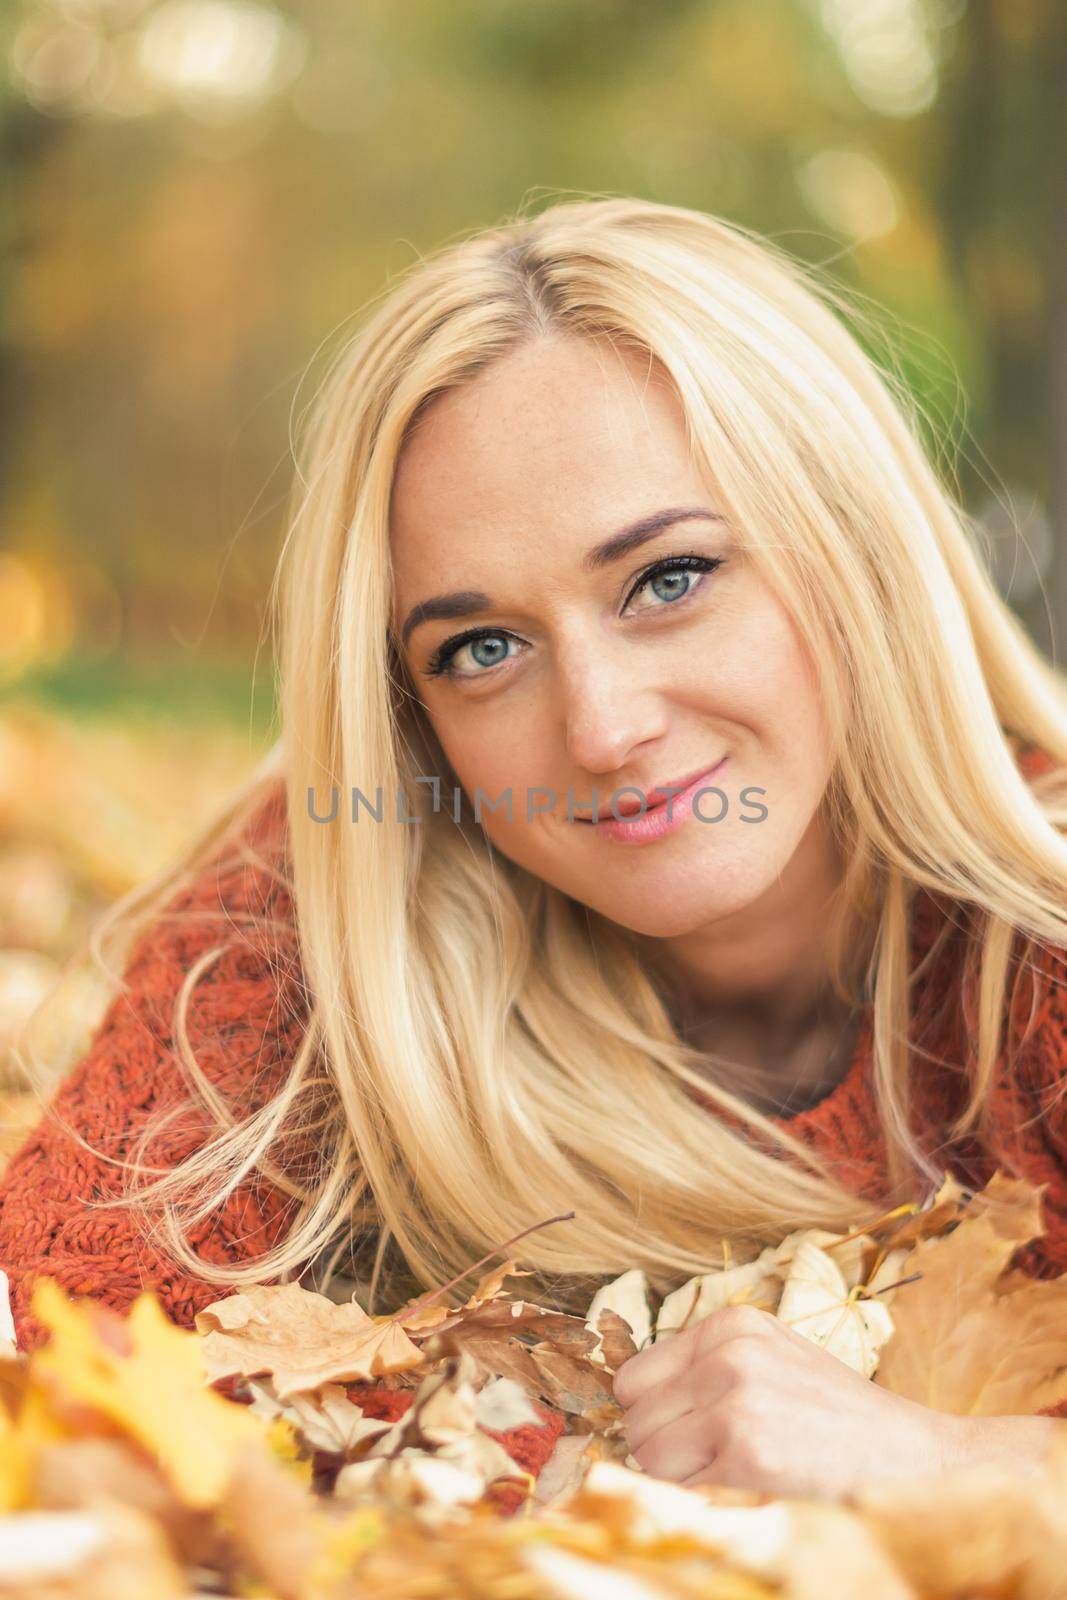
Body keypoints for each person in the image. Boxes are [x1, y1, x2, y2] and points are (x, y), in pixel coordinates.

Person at [4, 195, 1067, 1502]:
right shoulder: (342, 894)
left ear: (855, 550)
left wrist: (963, 1463)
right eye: (483, 649)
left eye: (668, 579)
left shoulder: (1043, 962)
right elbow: (44, 1344)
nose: (604, 728)